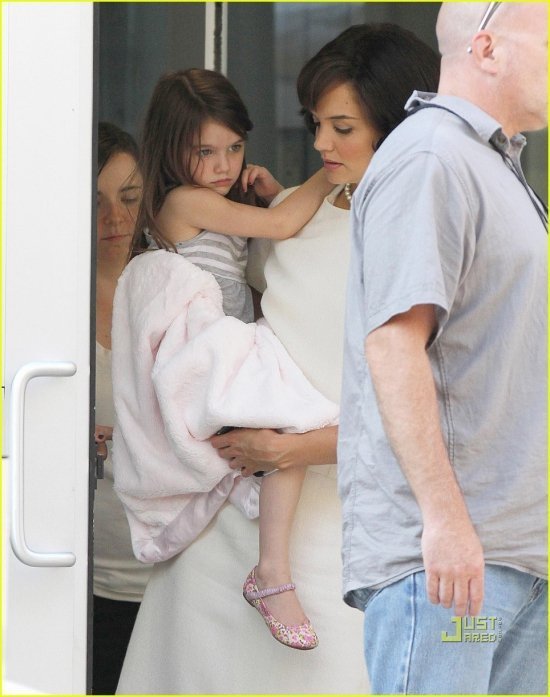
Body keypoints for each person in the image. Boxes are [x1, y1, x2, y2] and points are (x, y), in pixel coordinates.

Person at [116, 24, 439, 694]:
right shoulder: (297, 205)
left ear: (398, 124)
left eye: (341, 128)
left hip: (333, 541)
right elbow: (249, 285)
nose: (321, 143)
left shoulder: (433, 233)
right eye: (315, 123)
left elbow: (450, 418)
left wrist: (294, 448)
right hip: (221, 526)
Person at [338, 3, 548, 694]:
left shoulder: (491, 163)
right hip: (452, 571)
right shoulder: (432, 155)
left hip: (511, 558)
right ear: (486, 48)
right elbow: (394, 345)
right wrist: (445, 521)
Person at [126, 67, 341, 650]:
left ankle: (271, 566)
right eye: (205, 151)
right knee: (290, 427)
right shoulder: (184, 199)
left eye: (235, 147)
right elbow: (282, 226)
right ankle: (272, 572)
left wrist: (271, 192)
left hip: (226, 348)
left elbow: (271, 239)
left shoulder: (213, 197)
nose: (223, 165)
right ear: (171, 148)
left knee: (287, 431)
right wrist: (331, 170)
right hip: (205, 353)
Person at [94, 122, 153, 694]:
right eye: (96, 202)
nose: (114, 218)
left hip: (171, 575)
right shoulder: (39, 304)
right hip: (76, 578)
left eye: (129, 197)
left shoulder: (177, 284)